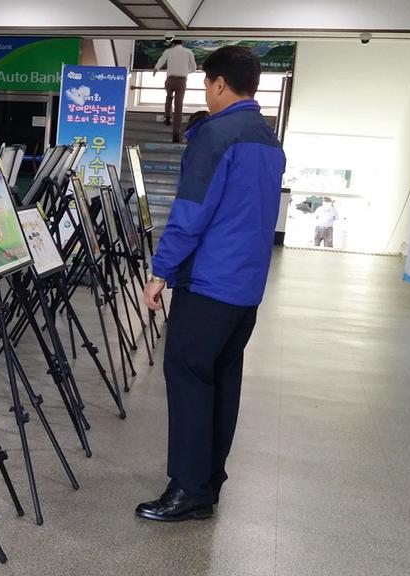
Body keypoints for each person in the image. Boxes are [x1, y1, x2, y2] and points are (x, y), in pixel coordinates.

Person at [139, 45, 286, 522]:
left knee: (186, 378)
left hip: (209, 285)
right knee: (223, 381)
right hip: (245, 290)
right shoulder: (268, 139)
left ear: (219, 83)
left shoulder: (216, 135)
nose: (206, 90)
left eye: (206, 83)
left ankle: (186, 488)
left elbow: (190, 215)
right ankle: (208, 483)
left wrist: (160, 270)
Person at [154, 39, 198, 143]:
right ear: (182, 43)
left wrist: (156, 68)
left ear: (173, 43)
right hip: (182, 81)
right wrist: (185, 71)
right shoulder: (189, 52)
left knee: (169, 97)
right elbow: (194, 68)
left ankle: (167, 117)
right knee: (179, 105)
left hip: (170, 79)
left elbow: (161, 61)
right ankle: (176, 133)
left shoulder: (168, 51)